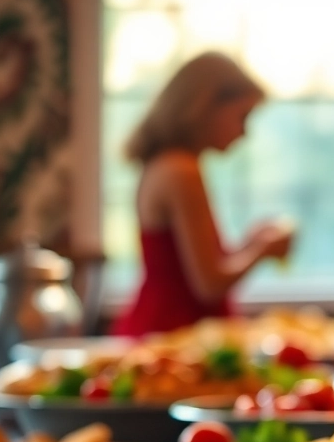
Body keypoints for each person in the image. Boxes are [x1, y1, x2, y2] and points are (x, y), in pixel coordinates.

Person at [112, 52, 293, 337]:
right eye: (242, 116)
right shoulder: (181, 171)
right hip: (174, 333)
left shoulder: (165, 163)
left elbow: (187, 267)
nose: (244, 132)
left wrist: (249, 244)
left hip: (164, 328)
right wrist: (262, 251)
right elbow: (208, 285)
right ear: (206, 106)